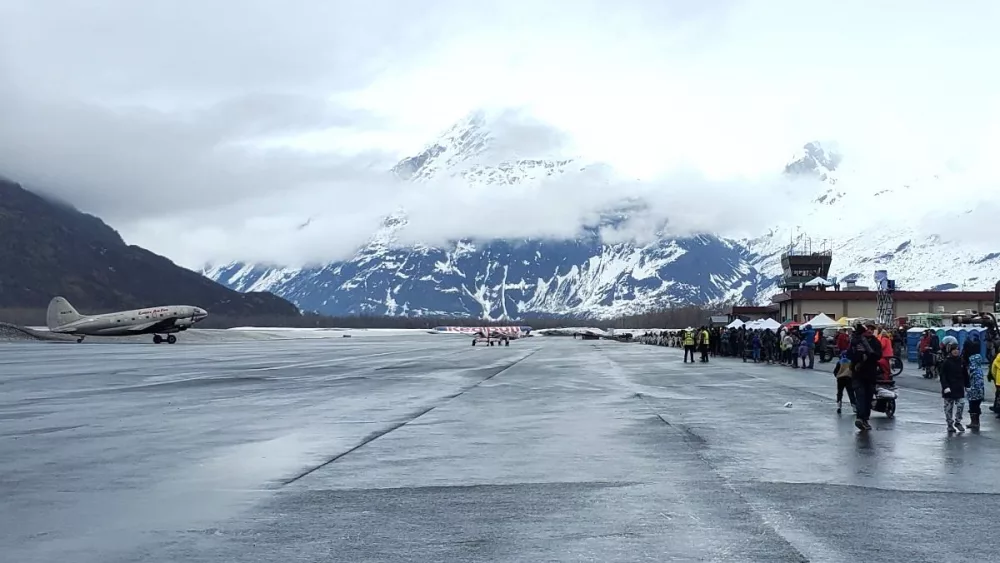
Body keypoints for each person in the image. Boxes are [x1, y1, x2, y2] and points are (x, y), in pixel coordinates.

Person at [849, 324, 880, 431]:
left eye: (872, 329)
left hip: (870, 374)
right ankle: (860, 418)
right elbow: (849, 354)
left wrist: (868, 354)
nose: (870, 331)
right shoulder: (855, 341)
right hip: (858, 374)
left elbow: (878, 355)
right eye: (868, 329)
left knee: (868, 398)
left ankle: (865, 418)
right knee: (860, 396)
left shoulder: (876, 342)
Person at [940, 337, 967, 432]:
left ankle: (958, 421)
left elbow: (965, 374)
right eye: (954, 350)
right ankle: (950, 424)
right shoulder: (946, 362)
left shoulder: (961, 361)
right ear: (950, 351)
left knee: (961, 404)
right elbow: (943, 376)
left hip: (959, 388)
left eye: (957, 350)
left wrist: (968, 386)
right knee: (948, 408)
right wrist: (945, 387)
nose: (956, 351)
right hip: (949, 389)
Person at [963, 333, 986, 429]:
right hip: (979, 389)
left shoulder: (971, 365)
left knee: (973, 405)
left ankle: (974, 422)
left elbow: (969, 375)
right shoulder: (978, 362)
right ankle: (976, 422)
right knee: (976, 405)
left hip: (973, 388)